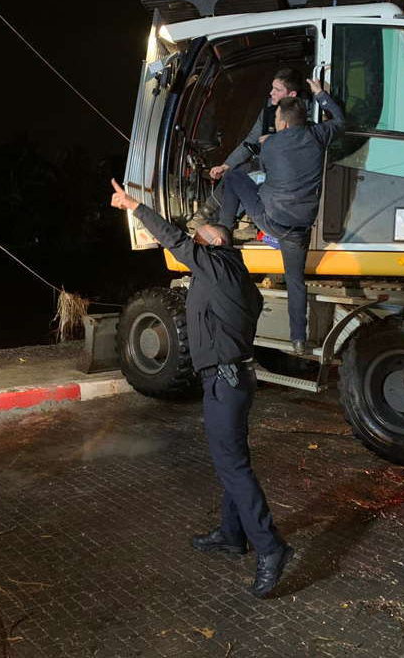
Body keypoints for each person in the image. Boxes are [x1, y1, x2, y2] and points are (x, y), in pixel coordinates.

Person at [110, 178, 294, 599]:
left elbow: (172, 237)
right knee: (233, 459)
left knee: (234, 467)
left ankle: (271, 547)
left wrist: (132, 204)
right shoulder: (237, 275)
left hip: (225, 383)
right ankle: (232, 534)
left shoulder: (216, 265)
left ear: (212, 243)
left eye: (198, 238)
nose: (191, 243)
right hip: (236, 379)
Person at [218, 77, 345, 356]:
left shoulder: (271, 145)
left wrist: (267, 143)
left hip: (272, 220)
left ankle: (223, 232)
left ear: (284, 123)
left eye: (276, 118)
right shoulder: (317, 136)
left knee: (235, 176)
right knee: (295, 280)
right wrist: (321, 94)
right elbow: (339, 120)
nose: (275, 121)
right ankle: (298, 339)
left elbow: (263, 167)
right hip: (300, 228)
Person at [208, 67, 308, 182]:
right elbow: (252, 139)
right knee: (231, 178)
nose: (271, 93)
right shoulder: (268, 109)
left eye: (277, 90)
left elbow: (302, 142)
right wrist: (226, 166)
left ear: (292, 94)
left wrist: (273, 140)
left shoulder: (307, 113)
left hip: (290, 173)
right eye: (272, 88)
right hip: (265, 166)